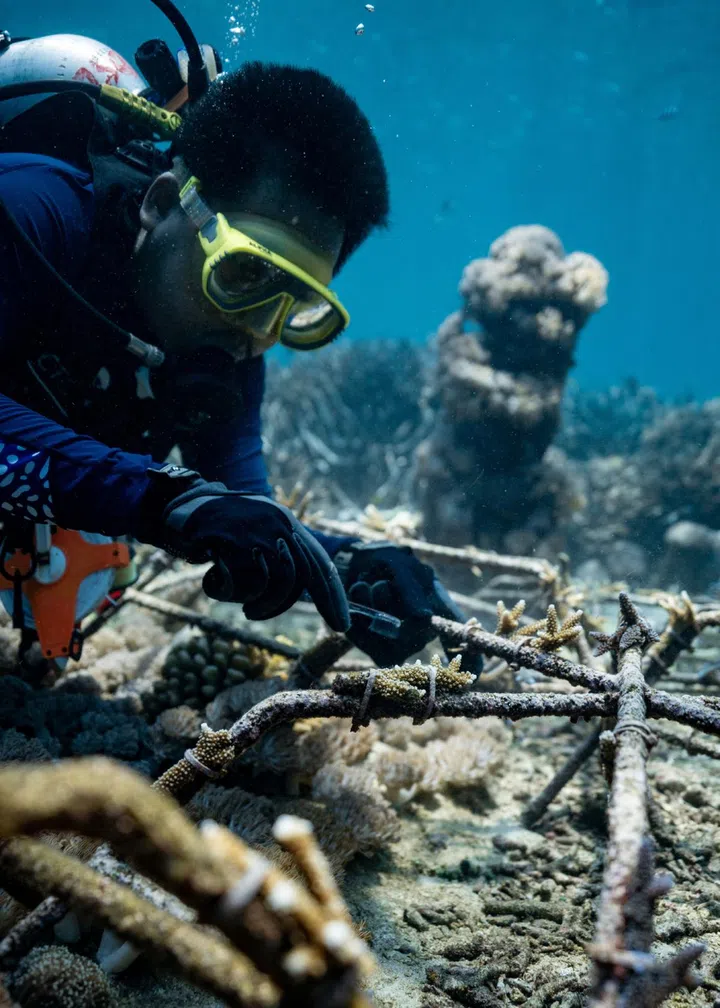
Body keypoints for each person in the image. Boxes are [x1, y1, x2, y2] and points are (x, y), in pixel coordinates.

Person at [0, 60, 468, 668]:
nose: (252, 327)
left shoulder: (231, 335)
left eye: (293, 303)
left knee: (73, 573)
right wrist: (156, 497)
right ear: (161, 204)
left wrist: (350, 565)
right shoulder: (30, 210)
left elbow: (242, 503)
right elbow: (176, 499)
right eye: (244, 271)